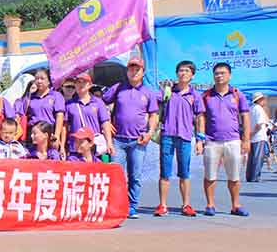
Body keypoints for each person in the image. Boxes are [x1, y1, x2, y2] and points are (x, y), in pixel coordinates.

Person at [103, 57, 158, 219]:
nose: (134, 72)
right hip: (118, 140)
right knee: (116, 175)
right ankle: (116, 205)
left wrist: (150, 133)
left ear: (143, 72)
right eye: (131, 69)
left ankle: (132, 206)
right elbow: (101, 102)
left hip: (138, 141)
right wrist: (106, 121)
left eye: (137, 69)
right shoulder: (118, 88)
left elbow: (153, 115)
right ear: (127, 71)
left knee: (135, 176)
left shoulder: (148, 92)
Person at [198, 62, 251, 217]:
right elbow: (201, 118)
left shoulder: (237, 94)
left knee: (234, 176)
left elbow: (245, 117)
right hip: (212, 141)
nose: (219, 76)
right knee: (210, 175)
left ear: (229, 75)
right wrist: (200, 139)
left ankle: (235, 205)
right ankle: (210, 205)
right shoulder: (206, 96)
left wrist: (246, 140)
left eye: (223, 73)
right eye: (216, 73)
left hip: (233, 141)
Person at [155, 60, 204, 217]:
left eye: (187, 71)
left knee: (185, 172)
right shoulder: (167, 92)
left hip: (185, 137)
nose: (183, 73)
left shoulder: (195, 95)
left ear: (192, 75)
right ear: (176, 73)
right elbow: (153, 104)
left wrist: (200, 139)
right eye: (181, 70)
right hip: (167, 136)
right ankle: (162, 205)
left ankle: (186, 205)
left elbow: (200, 118)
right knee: (165, 172)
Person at [64, 73, 113, 159]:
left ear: (90, 85)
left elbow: (105, 123)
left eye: (84, 82)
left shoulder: (98, 102)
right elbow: (64, 126)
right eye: (78, 82)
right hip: (75, 148)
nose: (81, 84)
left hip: (93, 147)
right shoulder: (69, 104)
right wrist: (63, 145)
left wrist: (109, 142)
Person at [16, 69, 65, 147]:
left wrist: (57, 135)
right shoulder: (30, 96)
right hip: (32, 133)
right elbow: (23, 113)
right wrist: (29, 95)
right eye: (37, 78)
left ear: (49, 81)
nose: (39, 81)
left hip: (48, 132)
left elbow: (60, 116)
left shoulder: (55, 95)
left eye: (42, 78)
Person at [246, 92, 269, 182]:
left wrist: (249, 134)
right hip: (259, 136)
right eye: (263, 99)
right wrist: (253, 133)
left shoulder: (251, 108)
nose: (264, 101)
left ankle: (249, 176)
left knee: (251, 158)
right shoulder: (259, 109)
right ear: (259, 100)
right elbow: (259, 124)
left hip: (252, 137)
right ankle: (255, 176)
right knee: (258, 157)